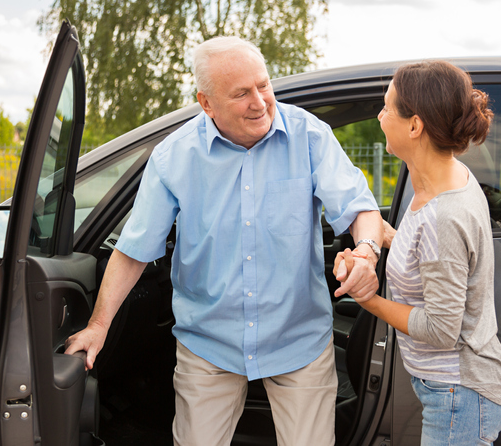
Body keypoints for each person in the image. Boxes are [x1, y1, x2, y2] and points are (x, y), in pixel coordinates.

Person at [65, 36, 383, 446]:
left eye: (264, 85)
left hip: (299, 341)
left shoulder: (309, 136)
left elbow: (361, 209)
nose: (260, 101)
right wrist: (98, 326)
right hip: (209, 345)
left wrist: (366, 252)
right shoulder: (174, 157)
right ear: (207, 102)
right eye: (241, 93)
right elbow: (134, 251)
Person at [335, 60, 501, 445]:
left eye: (386, 107)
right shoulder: (451, 177)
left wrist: (367, 299)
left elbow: (440, 330)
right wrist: (386, 236)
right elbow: (436, 260)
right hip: (451, 389)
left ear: (415, 126)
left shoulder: (444, 215)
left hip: (460, 392)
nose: (380, 116)